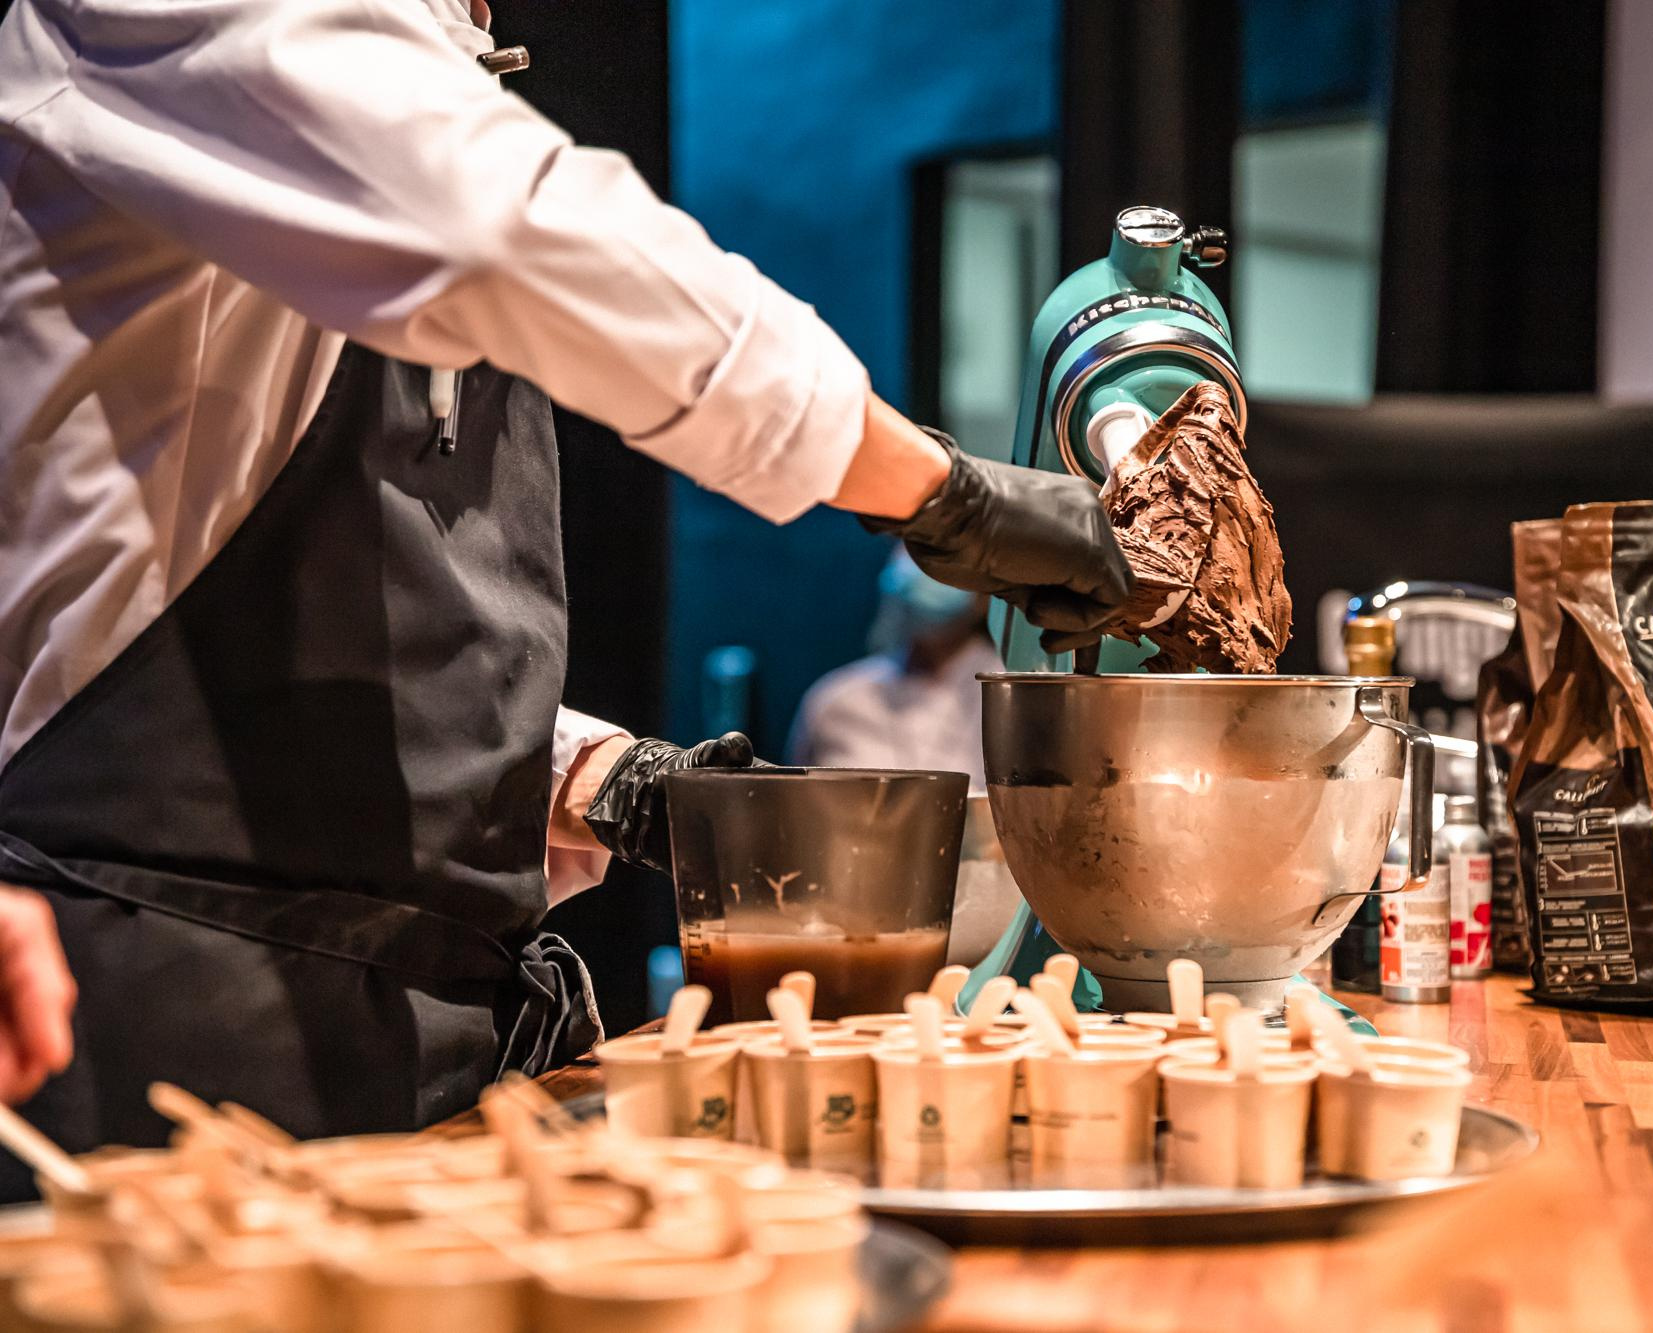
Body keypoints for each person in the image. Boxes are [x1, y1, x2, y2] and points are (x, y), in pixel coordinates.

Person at [0, 0, 1131, 1186]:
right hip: (165, 1033)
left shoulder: (422, 62)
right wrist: (941, 494)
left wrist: (598, 778)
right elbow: (501, 230)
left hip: (425, 1053)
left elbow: (270, 641)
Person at [788, 547, 1002, 781]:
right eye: (920, 555)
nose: (929, 575)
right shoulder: (838, 699)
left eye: (945, 560)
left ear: (986, 596)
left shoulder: (1007, 698)